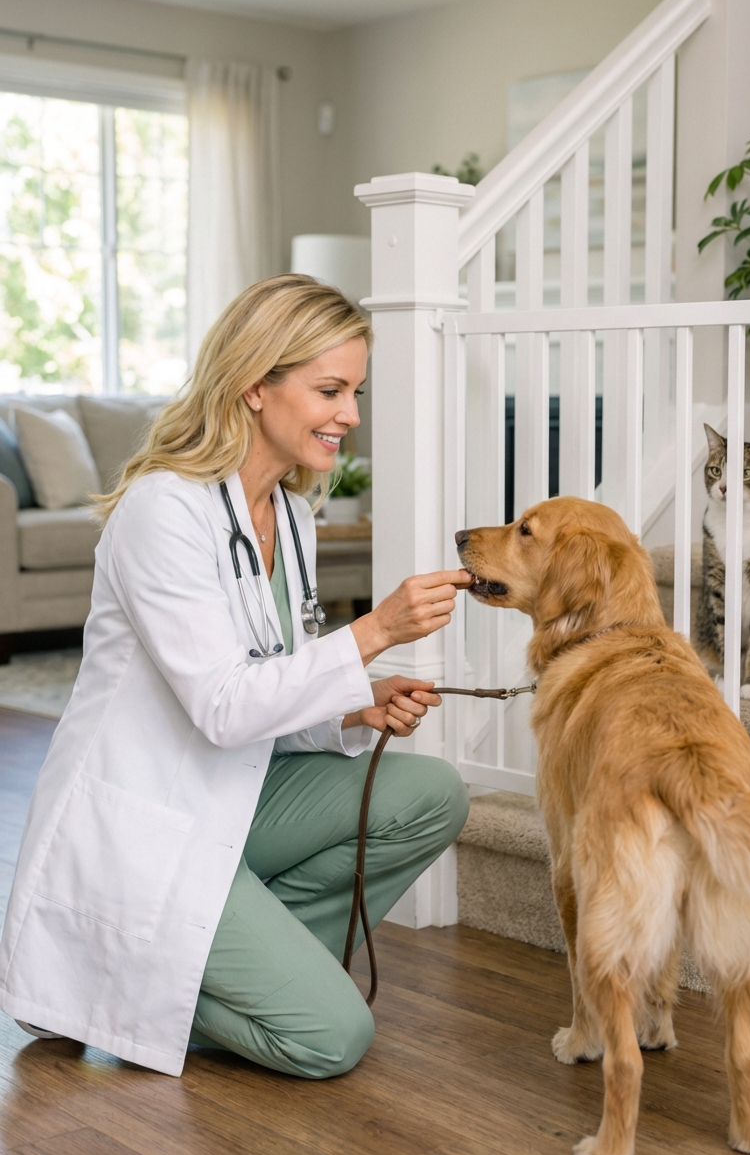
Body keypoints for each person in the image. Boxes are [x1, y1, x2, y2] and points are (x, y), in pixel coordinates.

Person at [0, 275, 471, 1078]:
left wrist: (352, 709)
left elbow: (272, 686)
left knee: (432, 794)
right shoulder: (163, 513)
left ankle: (219, 964)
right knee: (331, 1038)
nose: (350, 416)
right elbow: (221, 706)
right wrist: (375, 631)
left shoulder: (292, 514)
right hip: (146, 824)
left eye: (355, 391)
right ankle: (118, 986)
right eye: (330, 390)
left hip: (238, 797)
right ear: (256, 384)